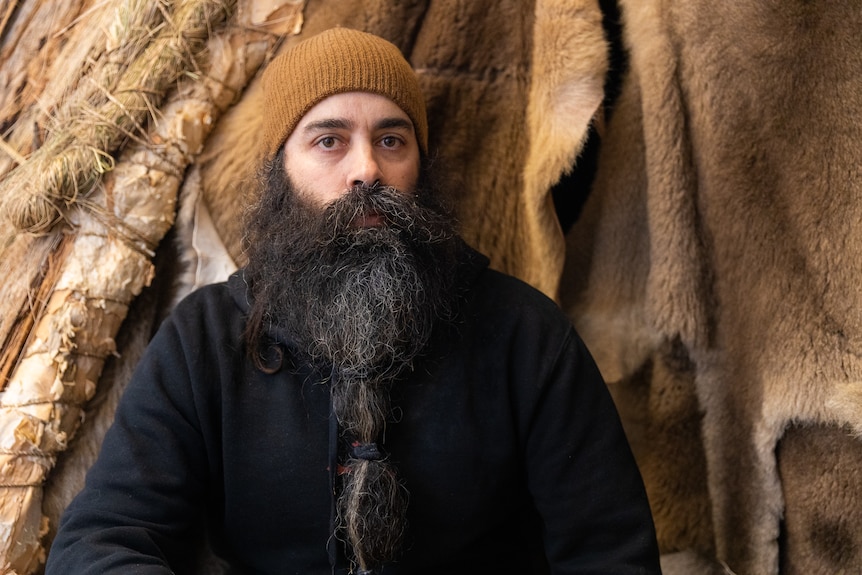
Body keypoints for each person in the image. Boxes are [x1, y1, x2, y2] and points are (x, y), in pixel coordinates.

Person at [46, 27, 661, 575]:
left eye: (392, 140)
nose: (367, 168)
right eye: (329, 141)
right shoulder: (203, 340)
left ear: (419, 165)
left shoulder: (525, 336)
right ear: (279, 172)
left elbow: (611, 553)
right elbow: (102, 541)